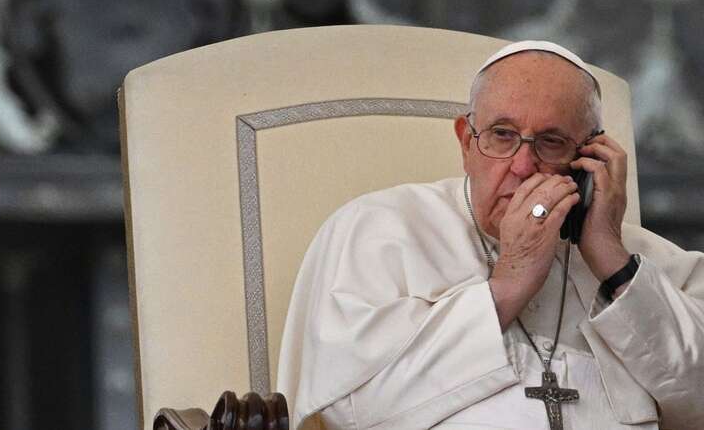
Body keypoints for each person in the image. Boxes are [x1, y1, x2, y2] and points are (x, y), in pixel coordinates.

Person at [277, 41, 704, 430]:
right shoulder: (376, 230)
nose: (522, 165)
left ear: (588, 158)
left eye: (551, 142)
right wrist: (505, 287)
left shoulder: (646, 258)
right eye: (502, 135)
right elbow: (345, 412)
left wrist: (613, 262)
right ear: (466, 142)